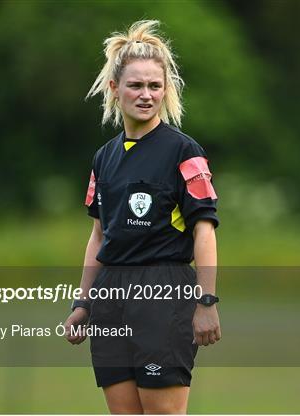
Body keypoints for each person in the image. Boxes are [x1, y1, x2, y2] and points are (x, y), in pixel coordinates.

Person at [63, 20, 221, 414]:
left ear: (166, 89)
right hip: (111, 295)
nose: (146, 95)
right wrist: (82, 303)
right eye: (136, 85)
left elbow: (205, 229)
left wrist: (206, 301)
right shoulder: (104, 157)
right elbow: (99, 236)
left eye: (155, 85)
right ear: (116, 89)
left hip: (163, 291)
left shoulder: (185, 152)